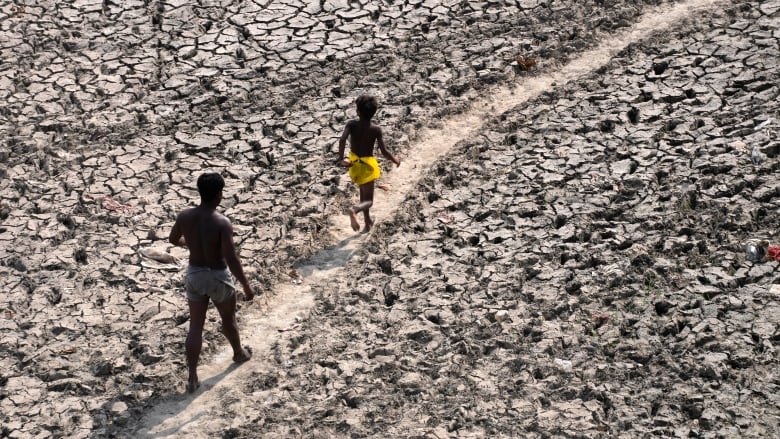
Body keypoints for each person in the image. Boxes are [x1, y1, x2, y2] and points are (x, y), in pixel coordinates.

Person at [169, 172, 254, 393]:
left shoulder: (185, 216)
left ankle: (192, 377)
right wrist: (245, 284)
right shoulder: (221, 222)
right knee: (228, 318)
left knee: (196, 326)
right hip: (217, 276)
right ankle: (238, 352)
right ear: (219, 194)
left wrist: (191, 244)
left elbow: (172, 239)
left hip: (195, 274)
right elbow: (231, 258)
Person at [335, 95, 400, 232]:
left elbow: (342, 140)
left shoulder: (351, 124)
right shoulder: (376, 129)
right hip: (367, 167)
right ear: (374, 112)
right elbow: (384, 151)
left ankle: (367, 221)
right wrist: (395, 160)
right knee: (369, 201)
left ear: (358, 111)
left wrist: (341, 159)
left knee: (363, 193)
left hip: (354, 164)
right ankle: (354, 210)